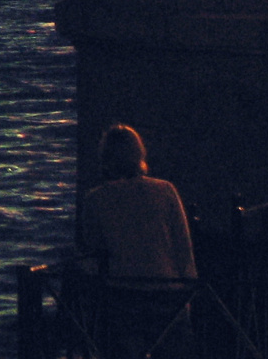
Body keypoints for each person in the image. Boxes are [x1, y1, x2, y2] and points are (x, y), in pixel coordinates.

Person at [78, 124, 197, 359]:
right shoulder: (165, 191)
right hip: (166, 293)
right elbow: (183, 248)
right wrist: (188, 297)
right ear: (139, 154)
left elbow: (93, 256)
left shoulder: (96, 199)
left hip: (124, 297)